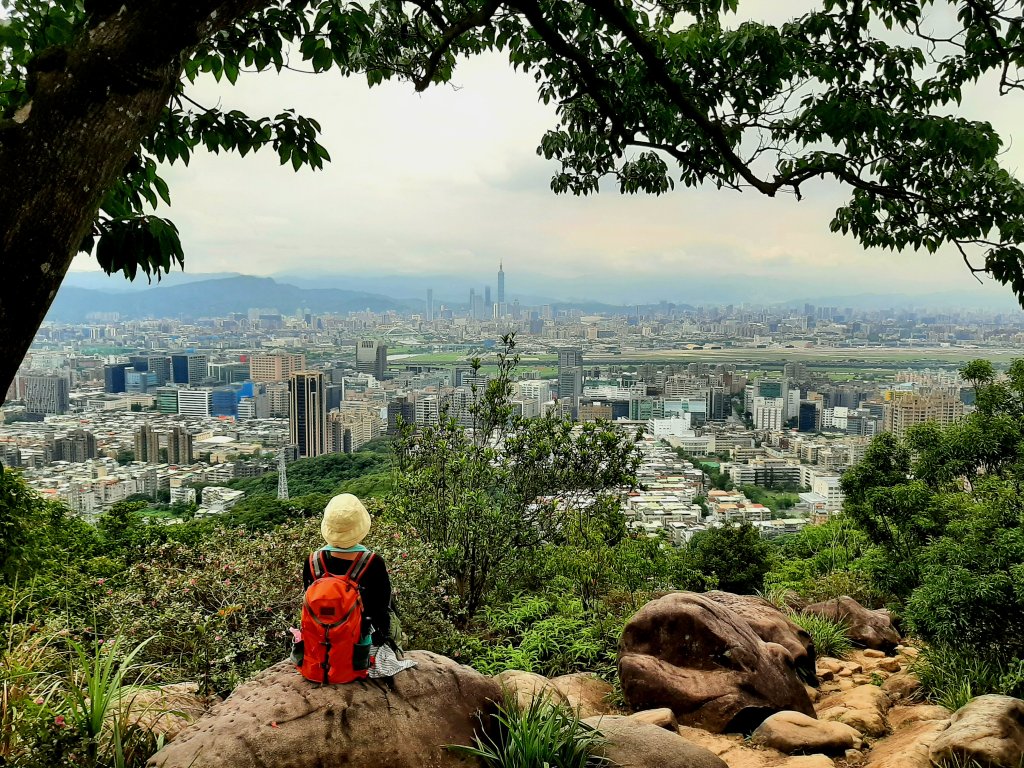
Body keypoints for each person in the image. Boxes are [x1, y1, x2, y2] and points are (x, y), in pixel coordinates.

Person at [298, 493, 415, 679]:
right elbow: (382, 610)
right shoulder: (373, 562)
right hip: (360, 650)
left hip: (319, 650)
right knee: (391, 611)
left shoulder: (312, 562)